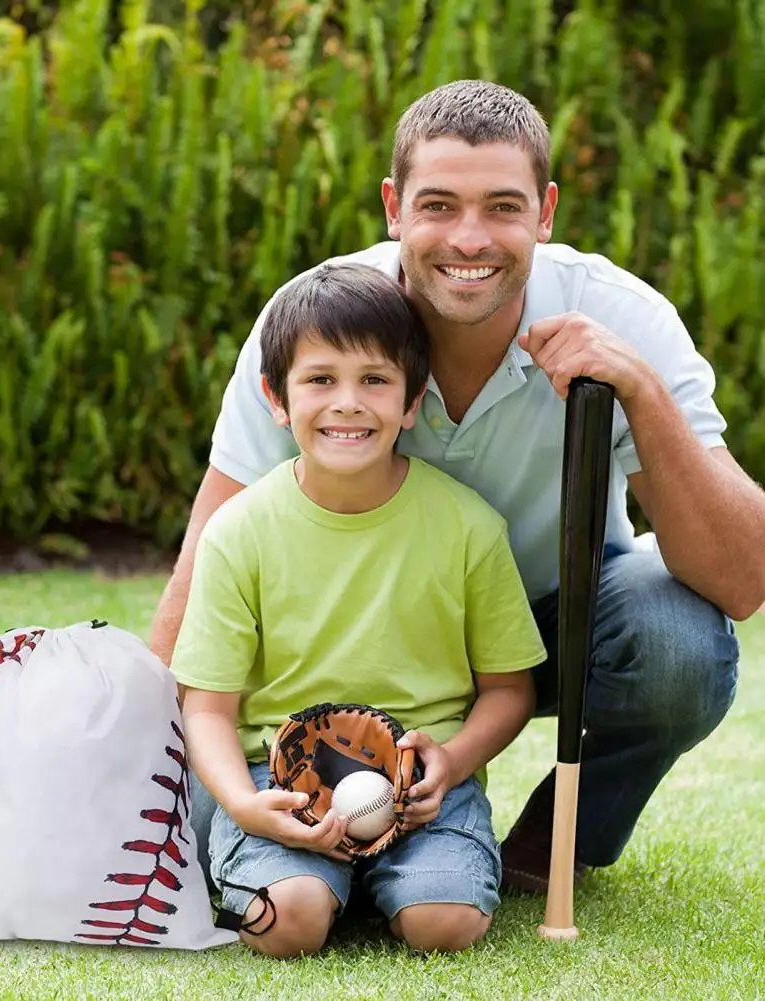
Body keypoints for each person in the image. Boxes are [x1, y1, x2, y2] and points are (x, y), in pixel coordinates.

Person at [153, 79, 765, 894]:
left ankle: (549, 844)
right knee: (192, 834)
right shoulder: (316, 322)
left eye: (502, 207)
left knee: (679, 642)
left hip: (552, 631)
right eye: (437, 204)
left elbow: (740, 576)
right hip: (332, 659)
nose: (468, 239)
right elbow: (210, 545)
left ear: (544, 213)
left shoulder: (622, 315)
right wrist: (145, 762)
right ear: (392, 207)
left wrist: (641, 393)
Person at [171, 261, 547, 957]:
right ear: (275, 398)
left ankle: (395, 882)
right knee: (288, 925)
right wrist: (245, 805)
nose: (347, 402)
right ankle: (304, 877)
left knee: (446, 926)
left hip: (422, 785)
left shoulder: (467, 526)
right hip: (274, 780)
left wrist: (454, 760)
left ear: (412, 401)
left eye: (374, 380)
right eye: (319, 380)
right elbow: (208, 707)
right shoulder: (238, 531)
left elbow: (508, 689)